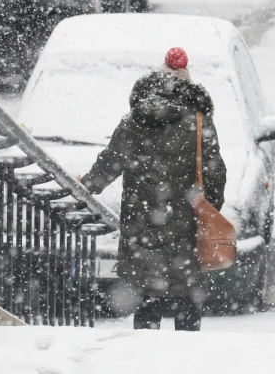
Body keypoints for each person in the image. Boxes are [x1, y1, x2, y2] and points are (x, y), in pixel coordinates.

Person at [79, 46, 226, 331]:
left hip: (141, 225)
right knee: (186, 299)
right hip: (187, 227)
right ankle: (185, 355)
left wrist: (86, 186)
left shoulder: (134, 120)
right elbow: (215, 174)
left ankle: (144, 355)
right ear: (186, 82)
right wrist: (210, 209)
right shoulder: (198, 122)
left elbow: (110, 163)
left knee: (146, 298)